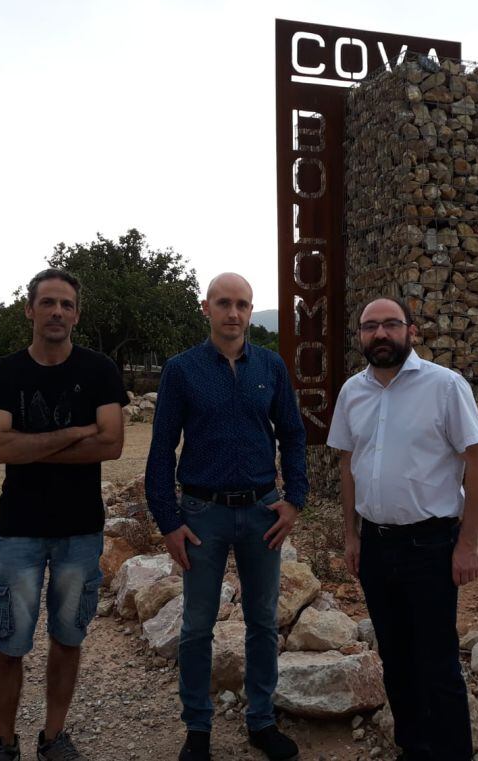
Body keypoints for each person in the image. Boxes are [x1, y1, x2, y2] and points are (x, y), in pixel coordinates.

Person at [145, 272, 308, 761]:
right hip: (202, 515)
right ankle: (198, 728)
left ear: (250, 309)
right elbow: (161, 449)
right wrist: (168, 521)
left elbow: (294, 435)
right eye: (223, 304)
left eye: (241, 304)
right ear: (206, 308)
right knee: (196, 626)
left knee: (262, 621)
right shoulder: (181, 370)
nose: (233, 313)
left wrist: (294, 499)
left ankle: (261, 720)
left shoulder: (272, 367)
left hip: (262, 511)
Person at [327, 297, 478, 761]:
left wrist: (468, 544)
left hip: (432, 546)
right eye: (370, 327)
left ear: (411, 332)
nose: (380, 334)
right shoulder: (351, 393)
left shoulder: (445, 387)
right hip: (376, 545)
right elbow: (348, 466)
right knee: (396, 662)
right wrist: (351, 535)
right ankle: (413, 750)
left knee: (437, 664)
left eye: (390, 325)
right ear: (360, 336)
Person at [0, 268, 126, 761]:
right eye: (48, 303)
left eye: (66, 304)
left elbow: (112, 443)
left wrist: (30, 448)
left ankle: (53, 736)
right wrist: (72, 433)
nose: (57, 312)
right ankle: (3, 742)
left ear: (77, 315)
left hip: (80, 530)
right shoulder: (3, 372)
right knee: (9, 641)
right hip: (17, 530)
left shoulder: (100, 369)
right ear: (30, 310)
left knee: (68, 638)